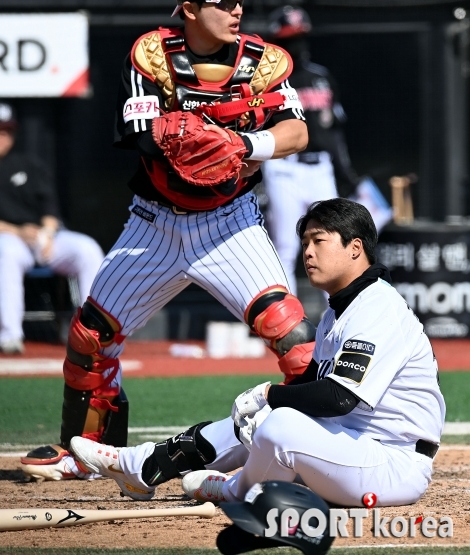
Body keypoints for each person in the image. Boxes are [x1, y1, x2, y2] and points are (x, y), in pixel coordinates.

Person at [21, 0, 315, 482]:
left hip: (231, 223)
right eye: (223, 3)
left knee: (292, 337)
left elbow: (296, 133)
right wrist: (193, 135)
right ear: (188, 9)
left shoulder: (264, 61)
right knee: (91, 337)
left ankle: (316, 446)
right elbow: (139, 135)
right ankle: (85, 453)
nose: (235, 10)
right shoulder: (153, 56)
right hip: (155, 224)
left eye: (240, 0)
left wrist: (244, 142)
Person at [69, 199, 445, 508]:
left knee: (278, 422)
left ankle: (233, 490)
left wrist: (269, 395)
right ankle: (141, 465)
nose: (308, 253)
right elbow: (313, 385)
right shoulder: (339, 309)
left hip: (392, 463)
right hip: (350, 448)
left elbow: (340, 397)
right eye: (304, 244)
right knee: (265, 416)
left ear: (355, 248)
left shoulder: (377, 307)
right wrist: (263, 408)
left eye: (319, 241)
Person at [262, 6, 361, 294]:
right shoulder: (266, 85)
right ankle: (287, 328)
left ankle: (335, 321)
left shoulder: (322, 78)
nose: (297, 46)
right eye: (289, 40)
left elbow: (334, 132)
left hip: (320, 169)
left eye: (300, 37)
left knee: (332, 245)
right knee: (286, 246)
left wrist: (346, 172)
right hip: (283, 168)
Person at [0, 103, 105, 355]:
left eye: (6, 131)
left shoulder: (29, 164)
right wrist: (17, 231)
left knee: (87, 249)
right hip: (8, 239)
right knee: (7, 253)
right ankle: (10, 336)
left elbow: (50, 212)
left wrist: (45, 234)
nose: (2, 137)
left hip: (41, 238)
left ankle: (92, 333)